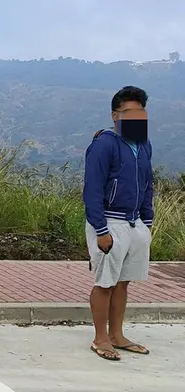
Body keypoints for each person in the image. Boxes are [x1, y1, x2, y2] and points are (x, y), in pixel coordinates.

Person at [82, 85, 154, 361]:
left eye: (140, 112)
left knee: (123, 283)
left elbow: (147, 184)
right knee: (105, 283)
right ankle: (100, 338)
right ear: (115, 115)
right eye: (129, 112)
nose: (136, 118)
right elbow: (93, 190)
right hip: (109, 222)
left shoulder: (144, 145)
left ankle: (117, 335)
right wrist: (101, 229)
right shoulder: (104, 144)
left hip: (135, 223)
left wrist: (147, 222)